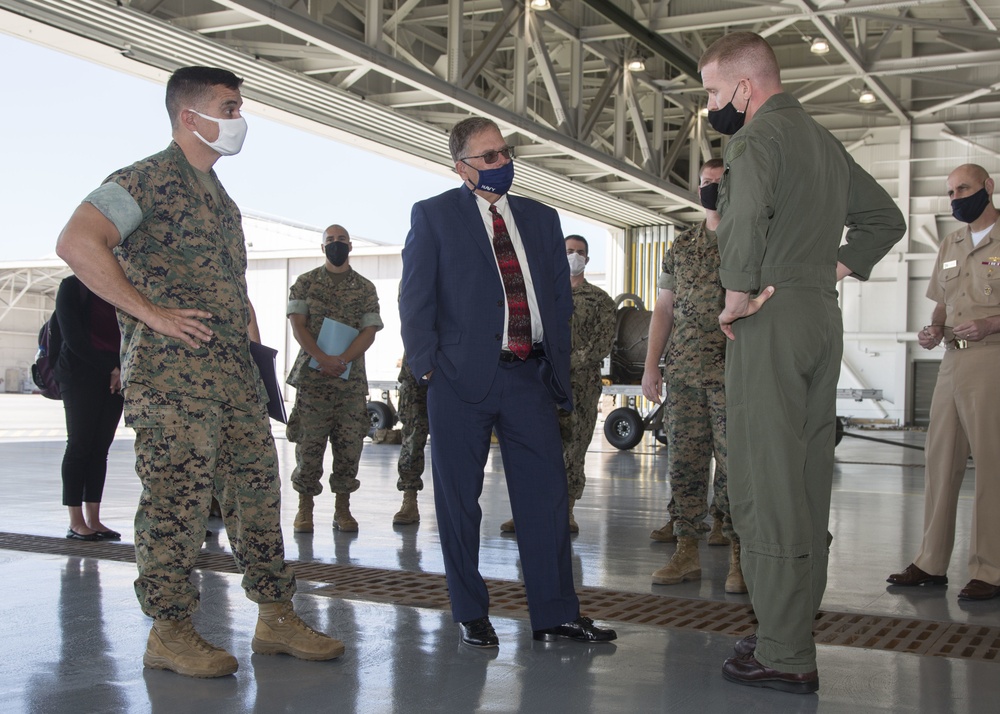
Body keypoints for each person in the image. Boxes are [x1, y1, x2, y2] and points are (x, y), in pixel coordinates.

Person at [54, 65, 344, 678]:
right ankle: (170, 630)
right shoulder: (142, 179)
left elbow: (234, 297)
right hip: (172, 381)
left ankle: (275, 616)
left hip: (234, 380)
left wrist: (260, 370)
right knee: (176, 504)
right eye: (230, 107)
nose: (240, 119)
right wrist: (153, 315)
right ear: (191, 116)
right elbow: (77, 242)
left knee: (258, 497)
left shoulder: (223, 202)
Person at [699, 33, 906, 693]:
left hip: (771, 315)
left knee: (766, 482)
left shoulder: (756, 141)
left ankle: (785, 650)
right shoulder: (821, 140)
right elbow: (884, 219)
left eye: (711, 92)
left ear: (743, 86)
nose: (710, 106)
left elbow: (745, 217)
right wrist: (831, 268)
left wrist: (735, 296)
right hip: (819, 315)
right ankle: (786, 626)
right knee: (809, 477)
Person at [399, 116, 617, 648]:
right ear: (462, 167)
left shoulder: (541, 219)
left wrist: (556, 369)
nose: (503, 164)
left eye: (506, 153)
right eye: (490, 157)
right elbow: (415, 297)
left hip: (529, 376)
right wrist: (429, 367)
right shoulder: (434, 217)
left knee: (545, 498)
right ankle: (471, 611)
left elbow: (558, 299)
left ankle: (555, 615)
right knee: (460, 501)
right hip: (459, 381)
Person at [888, 164, 1000, 601]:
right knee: (940, 462)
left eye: (965, 189)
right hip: (952, 361)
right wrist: (933, 329)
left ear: (988, 188)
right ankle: (931, 562)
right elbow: (942, 302)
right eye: (951, 191)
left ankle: (989, 569)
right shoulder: (950, 243)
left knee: (991, 465)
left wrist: (991, 324)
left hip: (991, 360)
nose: (957, 198)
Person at [640, 159, 745, 594]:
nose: (710, 190)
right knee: (684, 461)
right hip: (683, 371)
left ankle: (740, 554)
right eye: (705, 183)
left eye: (718, 184)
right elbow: (663, 308)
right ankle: (686, 550)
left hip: (734, 370)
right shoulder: (681, 245)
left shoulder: (749, 240)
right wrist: (651, 365)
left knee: (737, 464)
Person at [499, 234, 615, 534]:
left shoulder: (600, 300)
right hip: (540, 383)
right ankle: (525, 511)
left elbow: (602, 342)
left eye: (579, 252)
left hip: (580, 388)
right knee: (535, 447)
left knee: (574, 450)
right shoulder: (540, 295)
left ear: (587, 260)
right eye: (568, 251)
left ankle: (566, 511)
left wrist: (565, 363)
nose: (574, 256)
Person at [286, 224, 382, 533]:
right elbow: (298, 325)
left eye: (341, 240)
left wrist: (342, 360)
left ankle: (343, 509)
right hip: (313, 381)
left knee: (349, 446)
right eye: (330, 240)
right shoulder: (305, 283)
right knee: (309, 446)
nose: (336, 244)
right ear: (322, 247)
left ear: (350, 246)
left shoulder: (365, 288)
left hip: (349, 382)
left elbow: (370, 330)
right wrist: (322, 358)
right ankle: (305, 509)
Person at [56, 274, 124, 542]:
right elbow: (72, 336)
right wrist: (111, 368)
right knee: (79, 446)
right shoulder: (72, 286)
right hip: (81, 374)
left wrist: (118, 370)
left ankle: (94, 519)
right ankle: (76, 522)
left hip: (115, 376)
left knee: (100, 449)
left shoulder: (118, 285)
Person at [393, 355, 427, 525]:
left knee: (456, 445)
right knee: (412, 442)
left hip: (454, 374)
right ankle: (409, 500)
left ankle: (457, 502)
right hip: (417, 376)